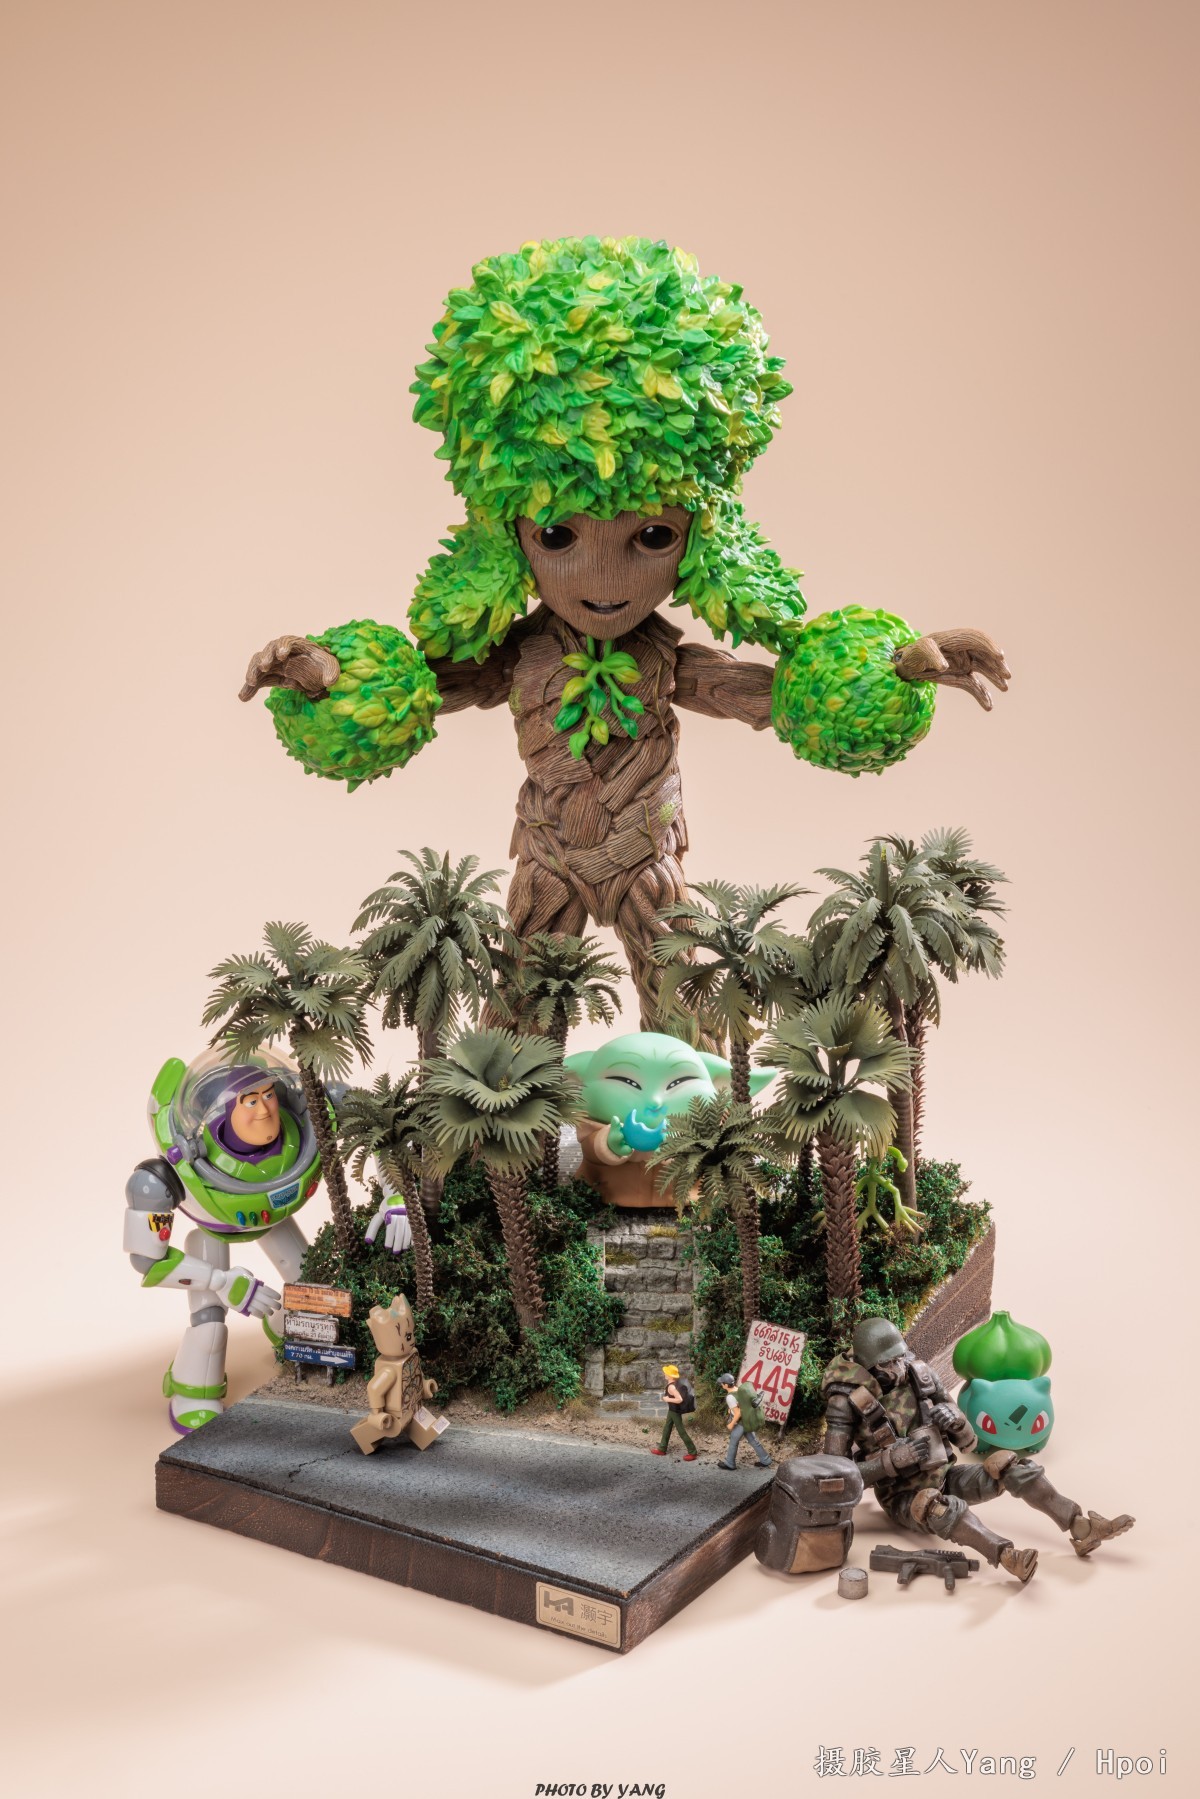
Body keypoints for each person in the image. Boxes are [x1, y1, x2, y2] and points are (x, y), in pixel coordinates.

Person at [822, 1317, 1134, 1583]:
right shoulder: (845, 1401)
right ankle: (1007, 1556)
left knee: (1010, 1465)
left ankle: (1082, 1527)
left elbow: (971, 1443)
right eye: (887, 1364)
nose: (898, 1368)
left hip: (945, 1474)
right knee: (936, 1506)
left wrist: (956, 1423)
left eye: (899, 1357)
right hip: (903, 1497)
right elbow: (835, 1478)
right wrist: (888, 1462)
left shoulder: (919, 1374)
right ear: (868, 1365)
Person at [718, 1372, 772, 1470]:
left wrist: (731, 1424)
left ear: (726, 1385)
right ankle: (766, 1460)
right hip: (748, 1419)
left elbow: (738, 1413)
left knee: (733, 1440)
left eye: (722, 1383)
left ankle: (730, 1463)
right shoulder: (739, 1390)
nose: (721, 1385)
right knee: (753, 1440)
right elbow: (742, 1404)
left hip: (741, 1422)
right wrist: (731, 1409)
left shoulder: (730, 1397)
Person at [651, 1363, 698, 1461]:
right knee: (667, 1428)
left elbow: (679, 1399)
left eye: (666, 1373)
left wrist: (667, 1399)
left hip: (675, 1411)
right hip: (672, 1410)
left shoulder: (671, 1387)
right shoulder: (674, 1384)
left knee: (681, 1431)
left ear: (670, 1376)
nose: (665, 1374)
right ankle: (662, 1448)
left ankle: (692, 1452)